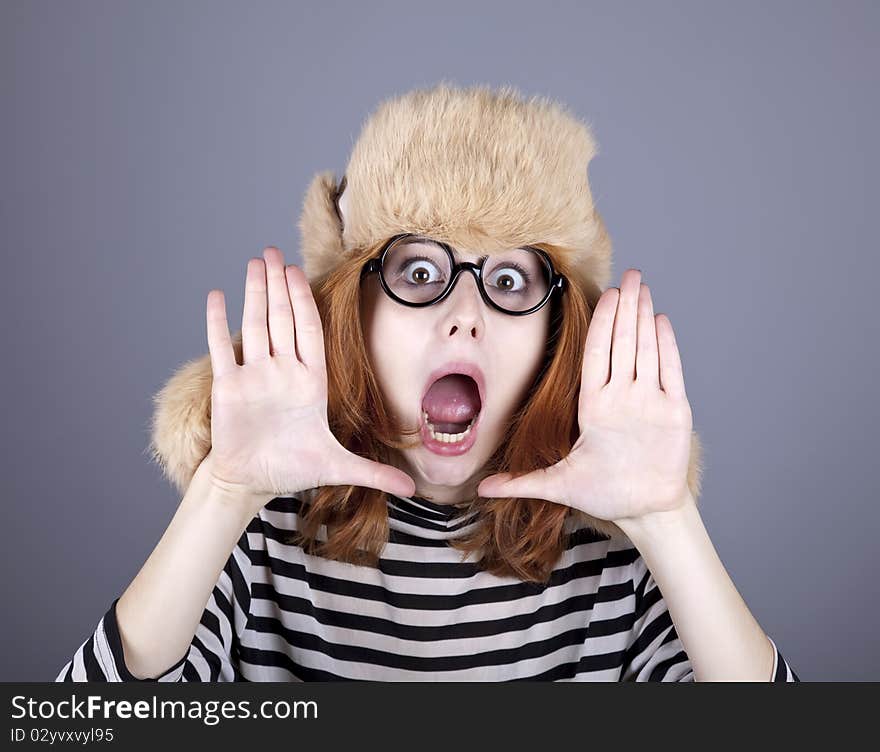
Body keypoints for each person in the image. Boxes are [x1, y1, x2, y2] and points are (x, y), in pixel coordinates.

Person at [56, 82, 800, 682]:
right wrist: (225, 493)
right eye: (419, 271)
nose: (464, 316)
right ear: (357, 310)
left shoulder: (615, 566)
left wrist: (667, 520)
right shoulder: (257, 537)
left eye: (511, 278)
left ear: (554, 336)